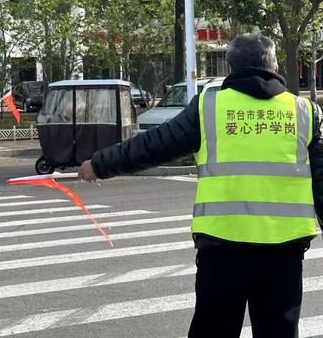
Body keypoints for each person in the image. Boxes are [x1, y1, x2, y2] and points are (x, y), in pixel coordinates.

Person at [79, 33, 323, 338]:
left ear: (230, 68)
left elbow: (153, 145)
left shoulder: (210, 106)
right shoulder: (303, 112)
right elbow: (322, 181)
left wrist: (99, 165)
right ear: (274, 66)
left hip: (222, 251)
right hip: (283, 255)